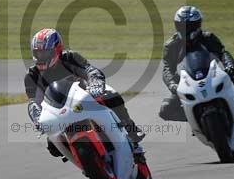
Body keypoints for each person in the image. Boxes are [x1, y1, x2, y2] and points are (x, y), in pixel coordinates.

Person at [25, 28, 146, 162]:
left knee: (112, 96)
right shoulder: (32, 75)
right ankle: (81, 159)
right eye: (38, 53)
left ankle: (131, 131)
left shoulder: (70, 57)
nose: (41, 57)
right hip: (58, 111)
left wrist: (95, 84)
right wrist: (37, 118)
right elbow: (33, 102)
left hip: (84, 98)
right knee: (53, 146)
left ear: (57, 49)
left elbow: (91, 71)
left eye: (45, 52)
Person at [159, 5, 234, 121]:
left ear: (198, 25)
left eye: (190, 26)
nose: (186, 29)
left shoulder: (208, 37)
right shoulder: (171, 45)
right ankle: (195, 118)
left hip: (211, 75)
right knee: (165, 110)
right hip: (186, 82)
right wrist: (172, 84)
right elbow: (167, 68)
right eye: (182, 26)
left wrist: (229, 65)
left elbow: (222, 53)